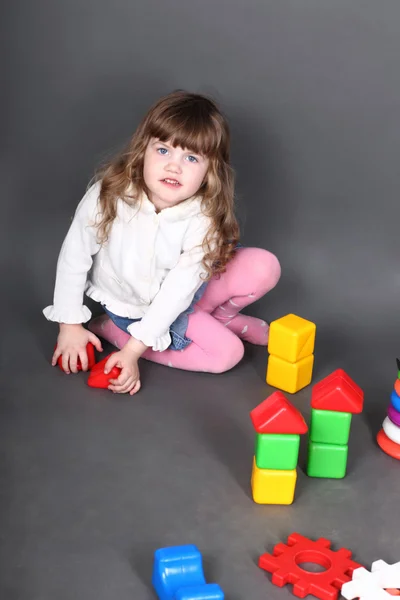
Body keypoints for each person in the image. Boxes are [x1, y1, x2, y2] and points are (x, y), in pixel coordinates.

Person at [43, 90, 281, 395]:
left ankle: (222, 320)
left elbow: (180, 290)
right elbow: (74, 257)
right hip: (139, 309)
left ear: (210, 172)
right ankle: (116, 331)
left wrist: (133, 352)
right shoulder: (109, 195)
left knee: (264, 265)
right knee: (227, 354)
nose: (174, 166)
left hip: (181, 296)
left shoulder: (203, 215)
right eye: (164, 150)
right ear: (144, 150)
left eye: (191, 158)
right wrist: (73, 326)